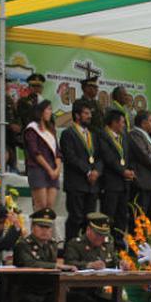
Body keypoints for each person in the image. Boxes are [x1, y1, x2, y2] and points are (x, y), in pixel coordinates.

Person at [12, 208, 114, 302]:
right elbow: (29, 263)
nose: (46, 231)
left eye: (49, 227)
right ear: (33, 227)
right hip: (29, 290)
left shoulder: (52, 244)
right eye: (42, 227)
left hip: (49, 291)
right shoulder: (23, 244)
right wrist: (56, 266)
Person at [59, 102, 102, 241]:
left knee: (89, 221)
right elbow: (70, 157)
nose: (90, 116)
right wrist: (88, 172)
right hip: (76, 183)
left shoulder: (93, 135)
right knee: (76, 218)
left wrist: (96, 171)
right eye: (86, 113)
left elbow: (99, 157)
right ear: (77, 115)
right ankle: (70, 249)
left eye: (90, 113)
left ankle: (85, 251)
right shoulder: (68, 133)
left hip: (92, 185)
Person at [98, 109, 135, 241]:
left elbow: (128, 156)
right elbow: (108, 157)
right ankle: (105, 244)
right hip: (110, 183)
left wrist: (130, 170)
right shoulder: (102, 135)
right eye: (122, 122)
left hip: (124, 184)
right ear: (114, 123)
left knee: (121, 217)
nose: (124, 125)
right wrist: (122, 171)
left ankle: (119, 247)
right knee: (108, 216)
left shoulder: (124, 137)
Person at [127, 110, 151, 224]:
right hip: (142, 182)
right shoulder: (135, 134)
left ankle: (149, 240)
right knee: (139, 215)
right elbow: (144, 155)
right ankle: (137, 241)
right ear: (144, 123)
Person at [23, 100, 62, 212]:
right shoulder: (32, 129)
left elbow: (58, 152)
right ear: (41, 111)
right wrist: (49, 169)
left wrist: (57, 169)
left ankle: (46, 229)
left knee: (49, 206)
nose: (50, 112)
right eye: (48, 109)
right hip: (38, 169)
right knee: (41, 207)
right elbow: (35, 152)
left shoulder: (51, 130)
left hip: (53, 170)